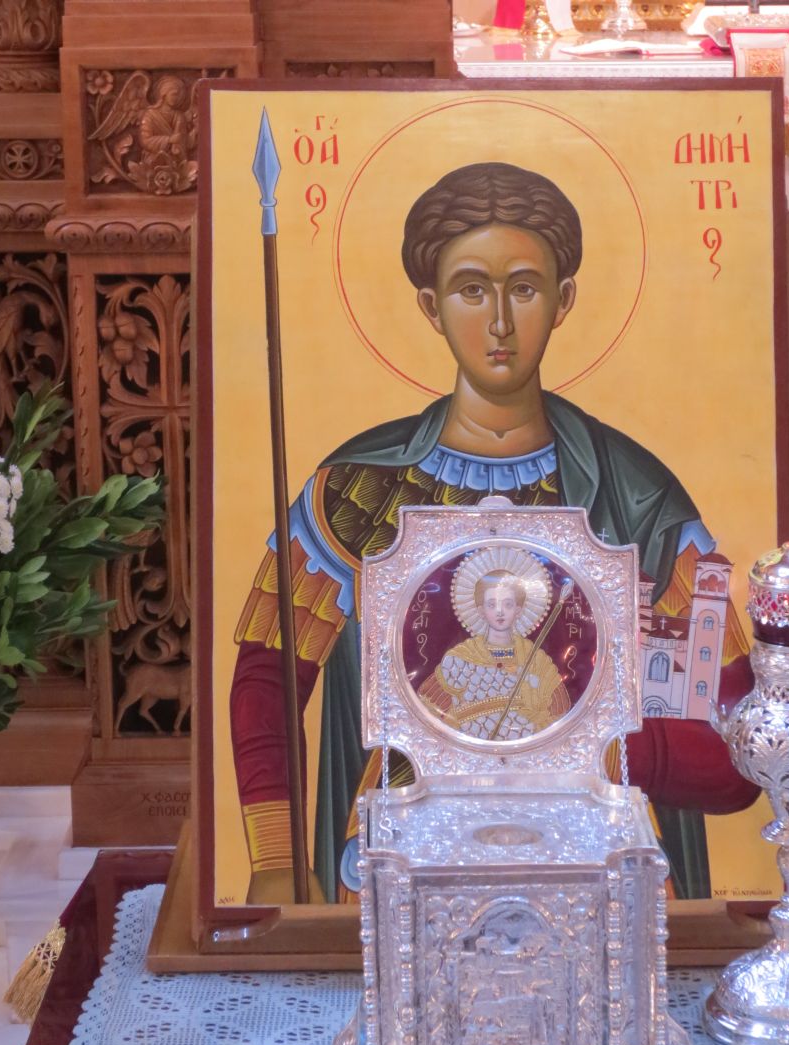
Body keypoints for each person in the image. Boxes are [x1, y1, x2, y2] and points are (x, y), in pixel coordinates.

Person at [230, 161, 758, 905]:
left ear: (564, 299)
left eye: (525, 288)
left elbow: (740, 745)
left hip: (597, 876)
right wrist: (275, 862)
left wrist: (600, 748)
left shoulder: (638, 502)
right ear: (431, 305)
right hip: (398, 871)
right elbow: (268, 678)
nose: (500, 323)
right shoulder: (354, 492)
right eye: (472, 289)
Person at [418, 555, 571, 741]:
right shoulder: (459, 659)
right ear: (481, 611)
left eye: (508, 604)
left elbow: (558, 714)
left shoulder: (536, 661)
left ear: (518, 610)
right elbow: (430, 712)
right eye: (492, 604)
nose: (500, 611)